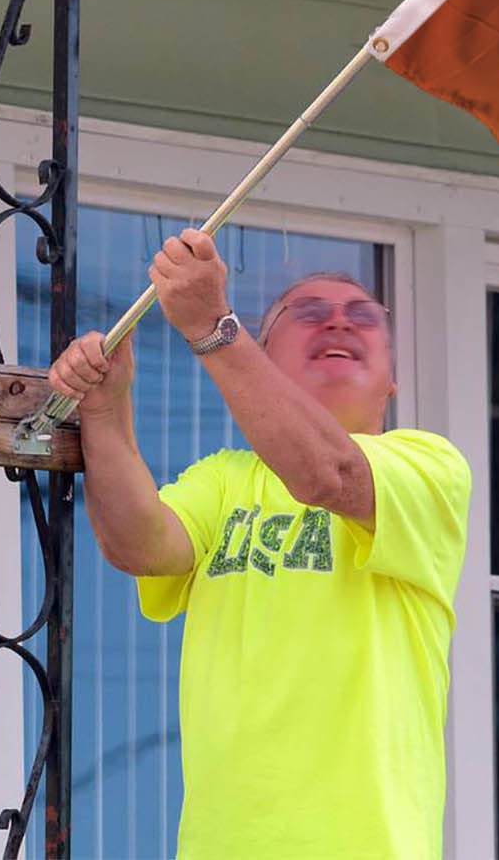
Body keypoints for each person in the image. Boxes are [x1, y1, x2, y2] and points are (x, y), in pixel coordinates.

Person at [48, 227, 470, 859]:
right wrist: (107, 412)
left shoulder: (431, 467)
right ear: (264, 361)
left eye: (364, 317)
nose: (338, 324)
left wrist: (213, 328)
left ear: (392, 380)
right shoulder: (223, 479)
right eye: (307, 313)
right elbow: (141, 545)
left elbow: (329, 474)